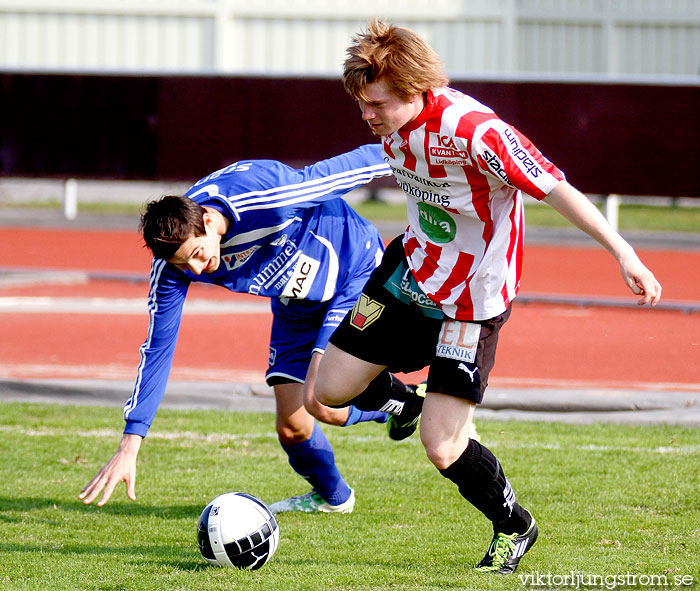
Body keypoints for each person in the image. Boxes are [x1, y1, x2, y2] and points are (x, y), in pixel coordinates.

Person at [313, 19, 662, 575]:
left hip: (471, 302)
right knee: (325, 393)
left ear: (414, 88)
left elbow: (555, 187)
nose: (367, 116)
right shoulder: (392, 127)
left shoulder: (476, 131)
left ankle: (514, 525)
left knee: (442, 447)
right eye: (361, 104)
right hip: (409, 275)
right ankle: (405, 401)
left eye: (376, 104)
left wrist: (624, 252)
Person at [79, 144, 404, 514]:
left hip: (353, 266)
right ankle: (335, 498)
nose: (198, 271)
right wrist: (130, 443)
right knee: (292, 426)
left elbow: (355, 165)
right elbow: (157, 349)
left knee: (320, 400)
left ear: (208, 222)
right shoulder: (172, 268)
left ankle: (404, 403)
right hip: (295, 300)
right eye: (185, 265)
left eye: (198, 255)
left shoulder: (267, 196)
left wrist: (417, 153)